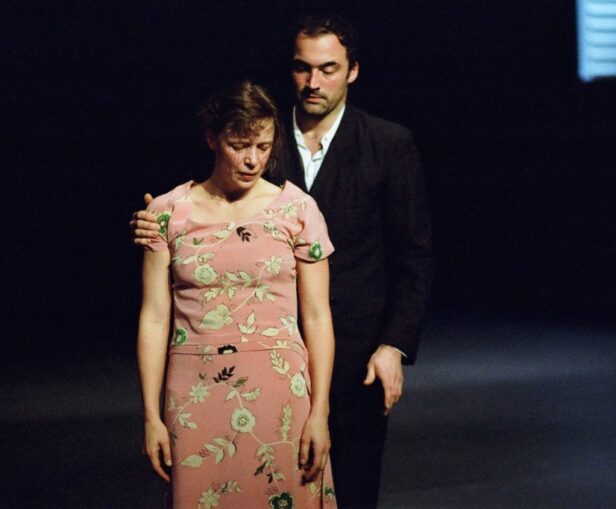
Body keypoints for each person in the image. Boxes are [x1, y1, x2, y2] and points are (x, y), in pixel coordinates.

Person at [133, 15, 433, 508]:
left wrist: (393, 344)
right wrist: (151, 222)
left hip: (352, 350)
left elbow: (414, 254)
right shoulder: (259, 125)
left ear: (352, 70)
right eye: (302, 68)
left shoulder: (387, 144)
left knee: (349, 484)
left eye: (328, 68)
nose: (313, 81)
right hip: (238, 360)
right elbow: (206, 212)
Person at [136, 80, 337, 508]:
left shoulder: (297, 210)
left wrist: (320, 410)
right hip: (195, 393)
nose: (252, 160)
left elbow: (317, 316)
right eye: (239, 145)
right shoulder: (167, 212)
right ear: (212, 138)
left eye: (263, 147)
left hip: (279, 391)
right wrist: (151, 415)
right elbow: (154, 316)